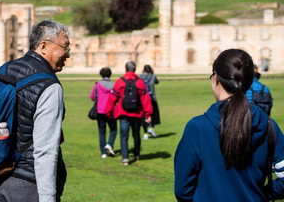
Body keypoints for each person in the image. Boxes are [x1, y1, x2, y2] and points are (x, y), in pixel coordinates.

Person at [174, 49, 284, 201]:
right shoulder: (268, 125)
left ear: (216, 78)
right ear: (251, 81)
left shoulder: (198, 127)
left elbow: (182, 190)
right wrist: (261, 195)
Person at [0, 21, 70, 202]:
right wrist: (47, 198)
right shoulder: (49, 86)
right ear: (44, 46)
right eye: (65, 47)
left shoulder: (4, 69)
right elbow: (45, 149)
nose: (67, 54)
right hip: (27, 184)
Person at [105, 61, 152, 166]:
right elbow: (146, 99)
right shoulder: (140, 82)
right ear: (135, 70)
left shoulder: (120, 82)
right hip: (137, 113)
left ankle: (125, 158)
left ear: (125, 69)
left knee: (124, 136)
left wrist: (108, 112)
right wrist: (148, 114)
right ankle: (137, 154)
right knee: (136, 134)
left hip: (123, 113)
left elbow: (112, 98)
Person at [90, 67, 117, 159]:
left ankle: (103, 153)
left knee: (102, 132)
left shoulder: (97, 84)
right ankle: (109, 144)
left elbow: (92, 97)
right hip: (111, 111)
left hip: (100, 111)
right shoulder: (114, 85)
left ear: (101, 75)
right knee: (113, 130)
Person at [140, 65, 160, 139]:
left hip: (143, 99)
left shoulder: (140, 76)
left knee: (144, 116)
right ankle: (151, 128)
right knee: (153, 114)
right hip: (152, 98)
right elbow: (157, 82)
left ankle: (145, 134)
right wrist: (153, 73)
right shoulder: (153, 76)